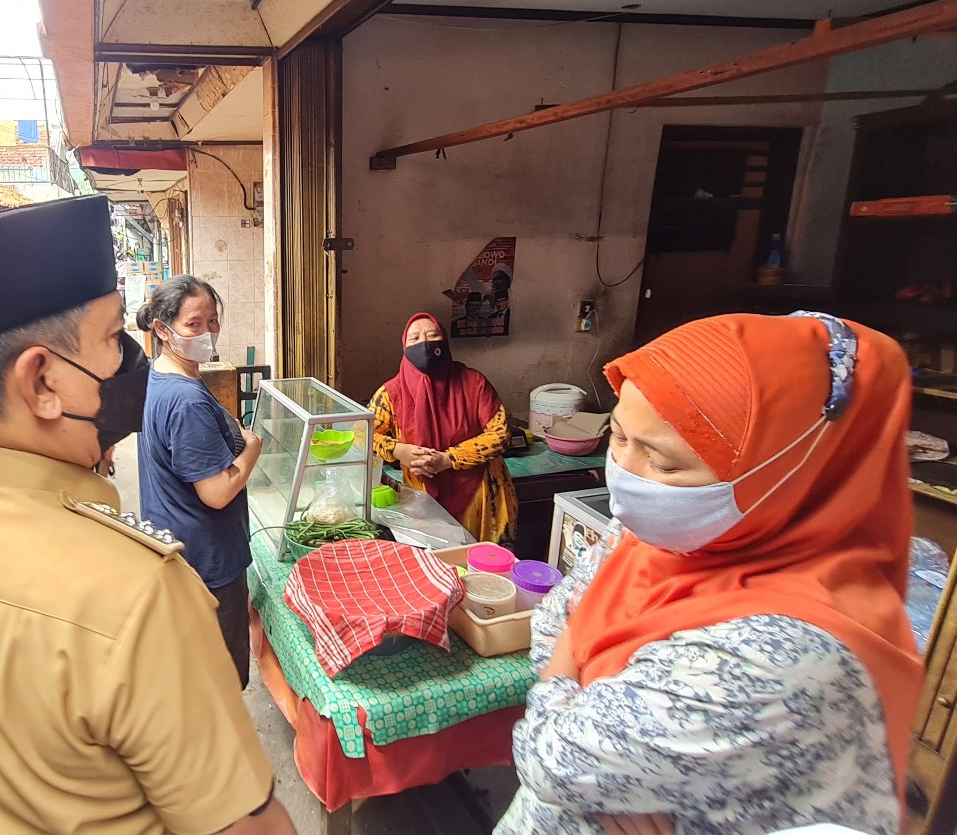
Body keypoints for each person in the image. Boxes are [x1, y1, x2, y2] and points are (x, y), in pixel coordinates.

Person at [0, 196, 296, 835]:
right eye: (114, 339)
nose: (132, 362)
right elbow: (244, 825)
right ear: (41, 383)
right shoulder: (136, 590)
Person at [494, 312, 924, 835]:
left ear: (788, 470)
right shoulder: (666, 534)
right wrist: (582, 719)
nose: (625, 474)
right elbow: (552, 620)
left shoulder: (781, 655)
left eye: (665, 463)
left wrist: (568, 687)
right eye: (620, 437)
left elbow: (553, 762)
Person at [135, 275, 262, 689]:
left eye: (212, 321)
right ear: (162, 328)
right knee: (221, 682)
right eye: (193, 324)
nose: (207, 332)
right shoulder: (185, 399)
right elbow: (217, 492)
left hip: (178, 548)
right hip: (207, 562)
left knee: (195, 676)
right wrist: (252, 447)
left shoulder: (160, 374)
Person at [369, 313, 517, 543]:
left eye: (432, 335)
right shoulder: (391, 393)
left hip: (482, 493)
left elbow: (500, 434)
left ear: (445, 342)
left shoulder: (474, 383)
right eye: (415, 338)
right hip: (422, 496)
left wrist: (449, 459)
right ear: (404, 347)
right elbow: (362, 433)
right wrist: (398, 450)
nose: (424, 344)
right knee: (434, 557)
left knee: (481, 558)